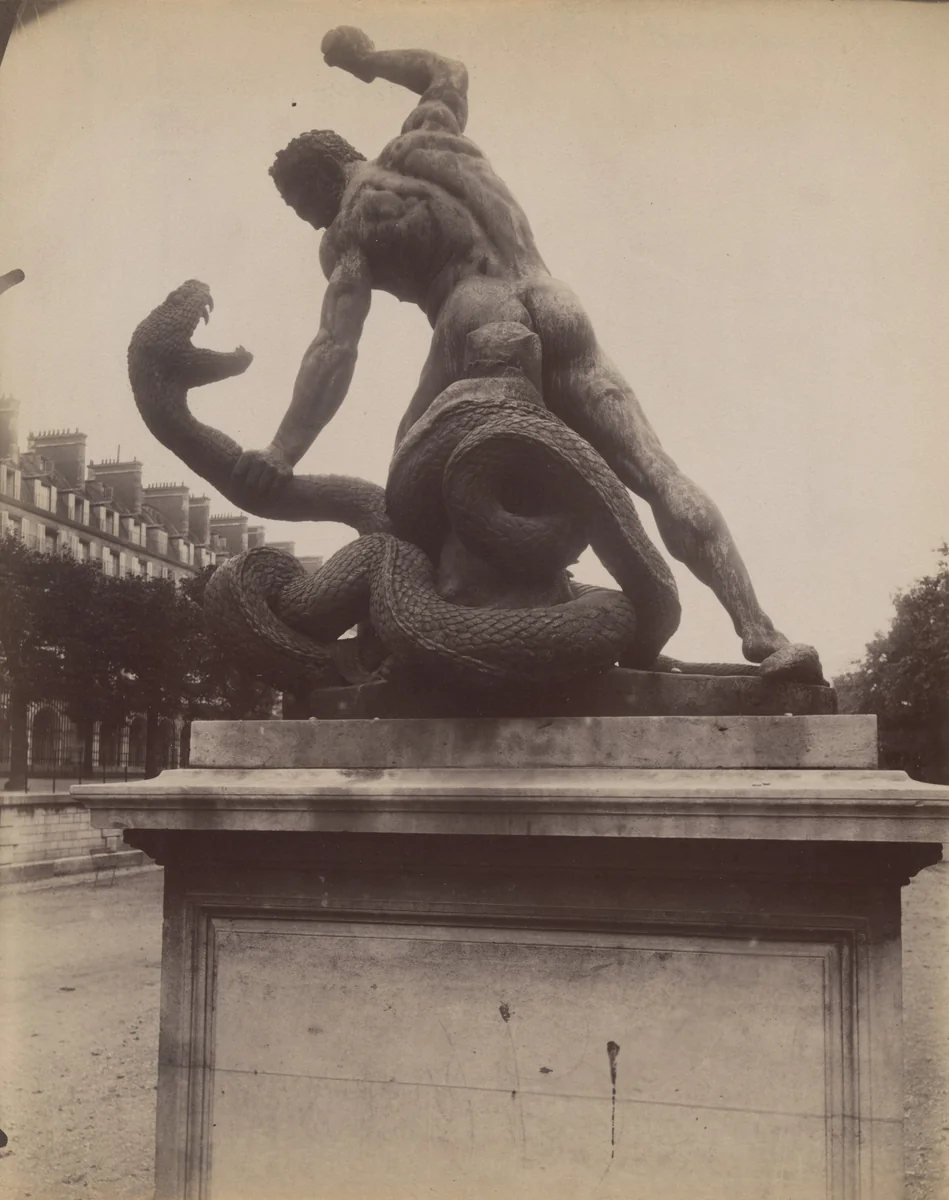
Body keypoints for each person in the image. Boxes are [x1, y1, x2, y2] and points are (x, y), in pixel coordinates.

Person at [234, 26, 816, 673]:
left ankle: (424, 636)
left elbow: (334, 346)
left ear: (315, 182)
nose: (306, 218)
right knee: (656, 472)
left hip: (475, 318)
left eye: (297, 204)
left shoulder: (347, 229)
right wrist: (368, 62)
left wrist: (282, 451)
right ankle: (761, 633)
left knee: (410, 489)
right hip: (554, 300)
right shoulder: (426, 136)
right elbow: (444, 69)